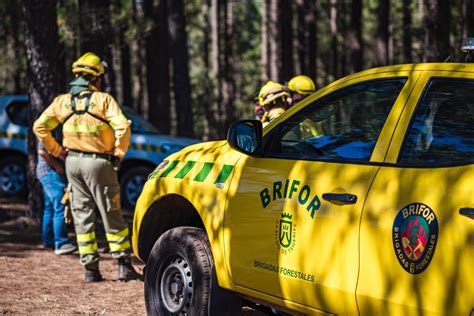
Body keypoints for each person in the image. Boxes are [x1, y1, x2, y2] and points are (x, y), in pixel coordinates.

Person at [33, 52, 141, 283]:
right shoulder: (103, 100)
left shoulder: (62, 102)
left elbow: (39, 126)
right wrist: (119, 153)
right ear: (96, 79)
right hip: (99, 162)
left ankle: (91, 269)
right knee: (110, 212)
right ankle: (123, 265)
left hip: (72, 162)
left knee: (82, 215)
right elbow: (122, 126)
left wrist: (56, 150)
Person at [36, 130, 77, 255]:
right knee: (60, 207)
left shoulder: (52, 126)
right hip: (51, 173)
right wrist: (58, 167)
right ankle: (61, 243)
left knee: (50, 208)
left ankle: (48, 240)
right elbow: (42, 151)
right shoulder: (51, 128)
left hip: (46, 172)